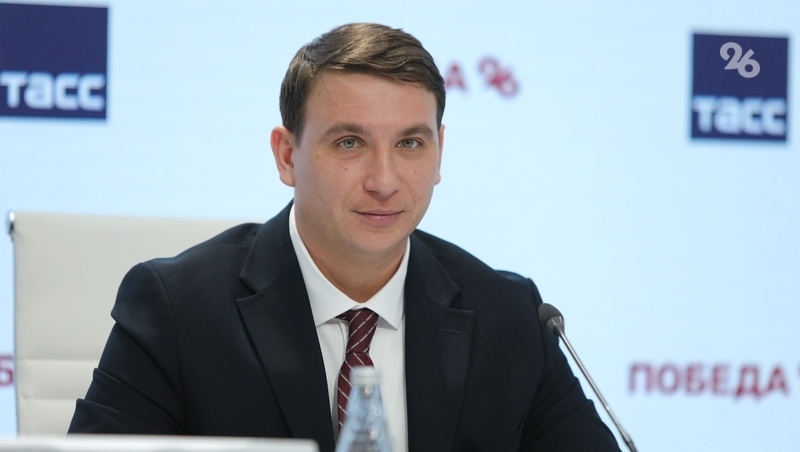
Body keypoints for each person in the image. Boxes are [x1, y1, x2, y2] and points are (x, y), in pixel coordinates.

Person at [68, 23, 621, 452]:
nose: (384, 181)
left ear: (439, 153)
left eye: (410, 144)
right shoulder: (177, 310)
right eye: (350, 143)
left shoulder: (510, 317)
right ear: (287, 156)